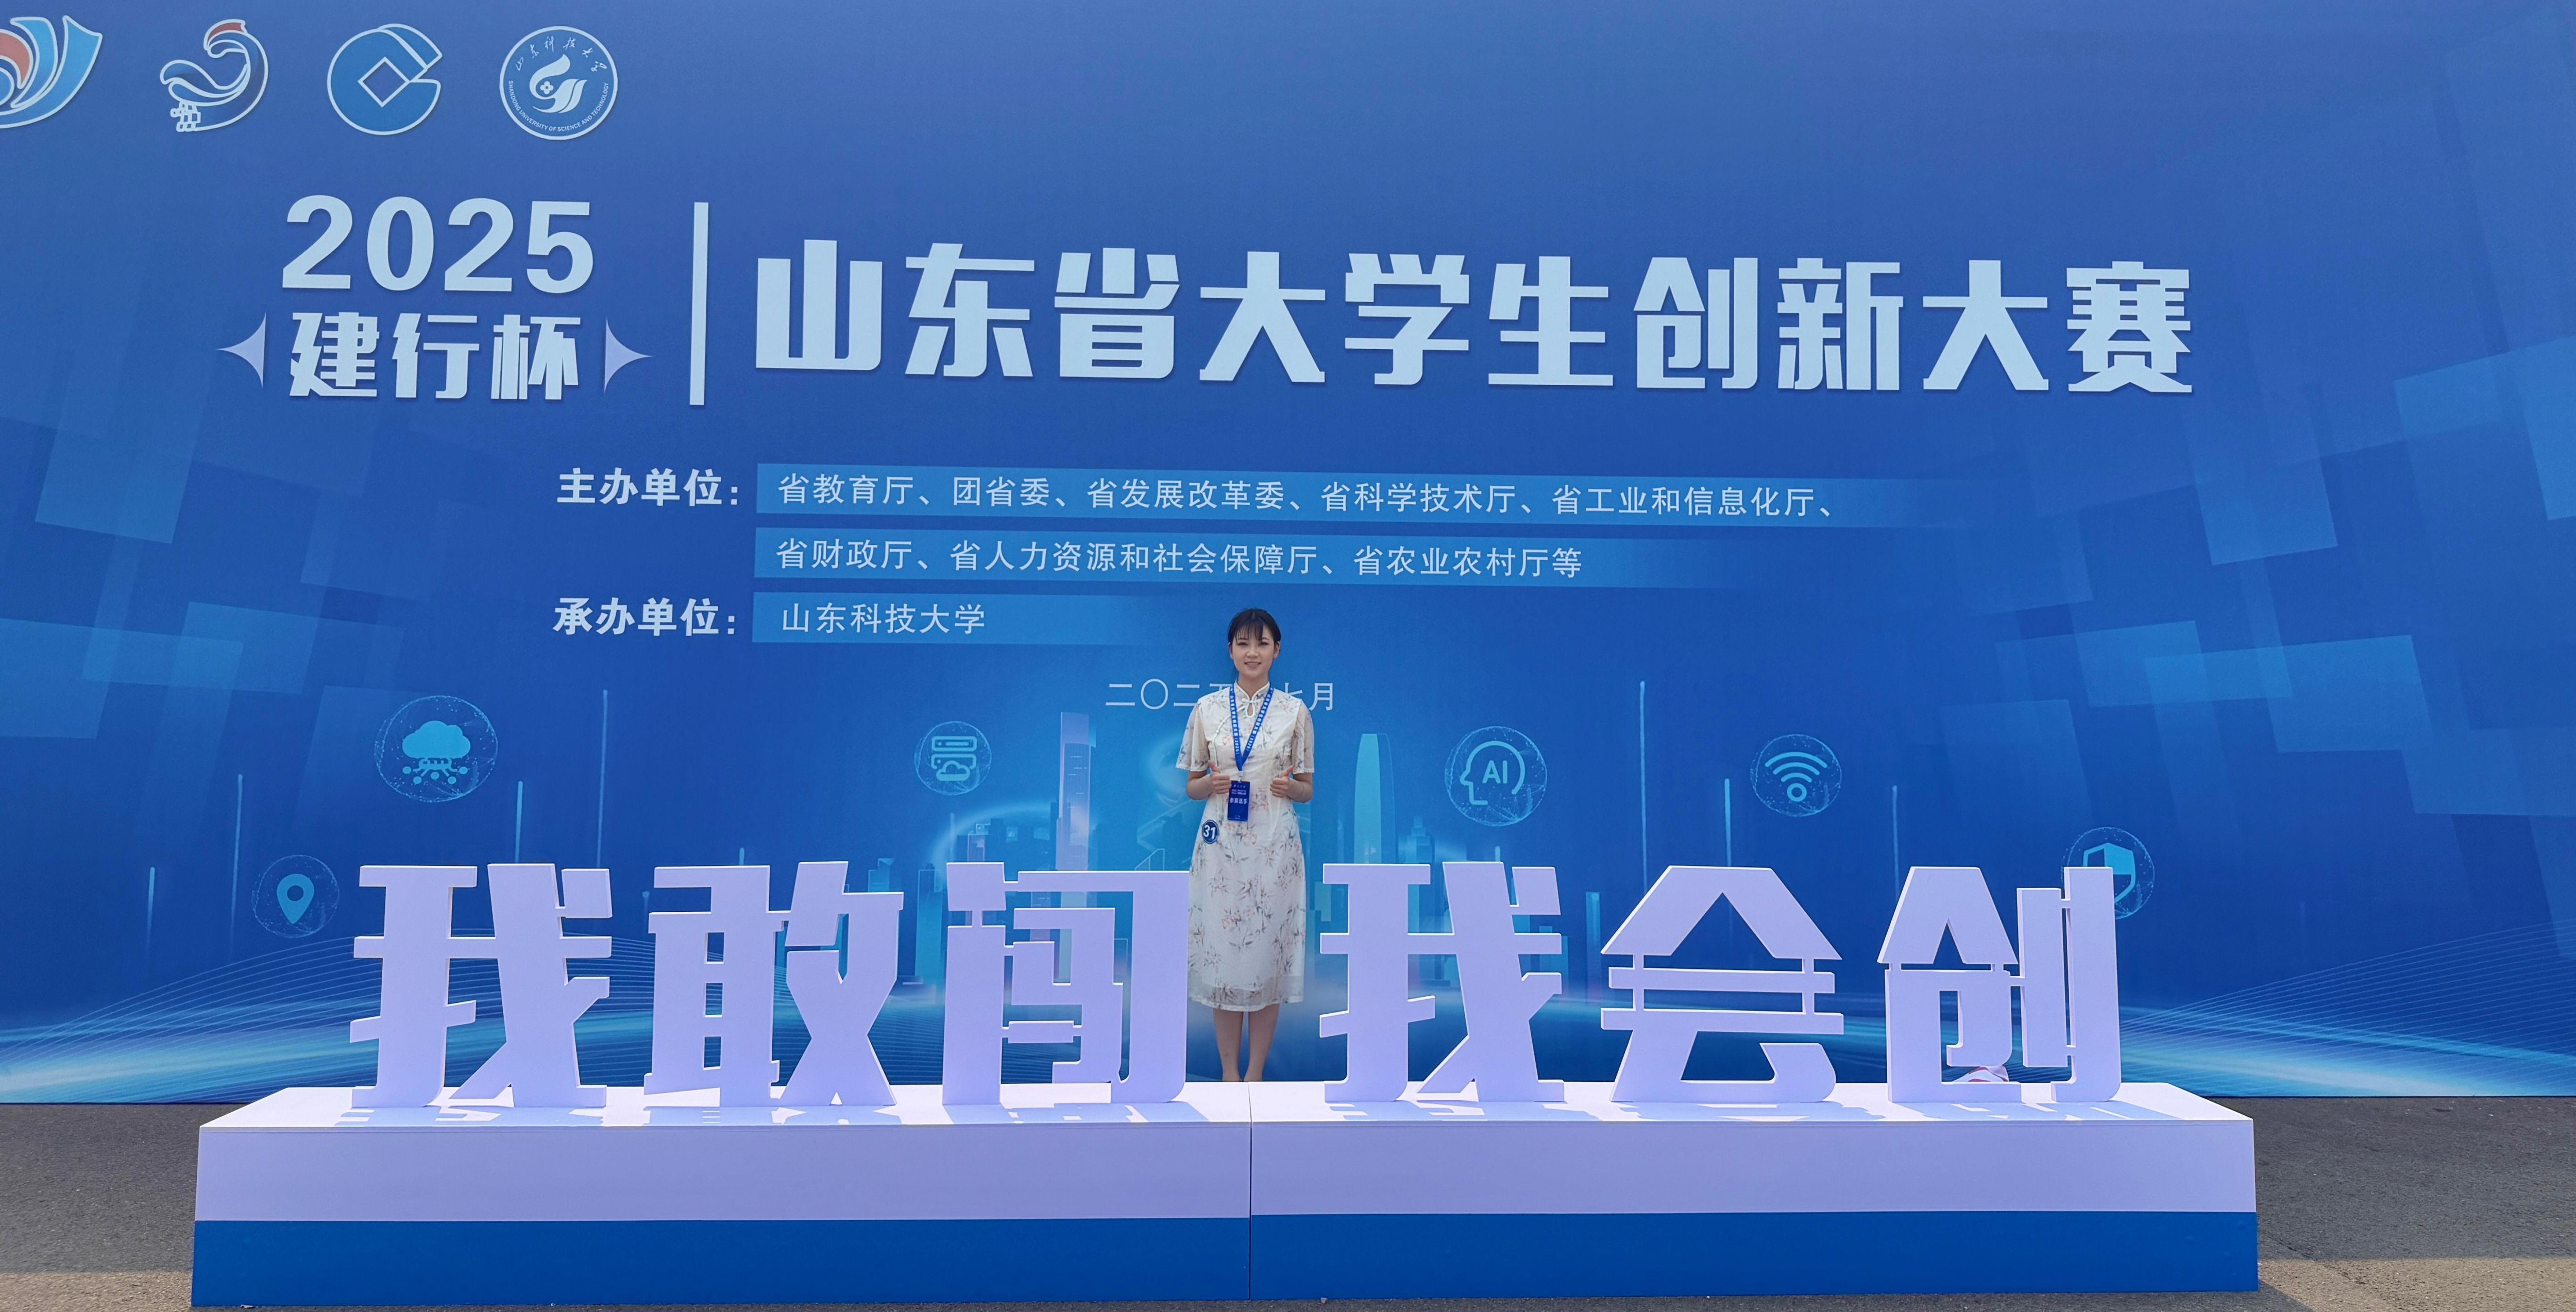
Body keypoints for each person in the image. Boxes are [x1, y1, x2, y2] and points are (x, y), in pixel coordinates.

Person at [1178, 607, 1315, 1081]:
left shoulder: (1295, 712)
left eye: (1262, 643)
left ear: (1277, 650)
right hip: (1220, 847)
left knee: (1265, 957)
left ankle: (1255, 1072)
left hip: (1275, 847)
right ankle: (1228, 1073)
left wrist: (1290, 788)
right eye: (1243, 643)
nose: (1252, 652)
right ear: (1230, 651)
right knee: (1224, 959)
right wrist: (1209, 785)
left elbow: (1307, 788)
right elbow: (1192, 785)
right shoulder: (1207, 709)